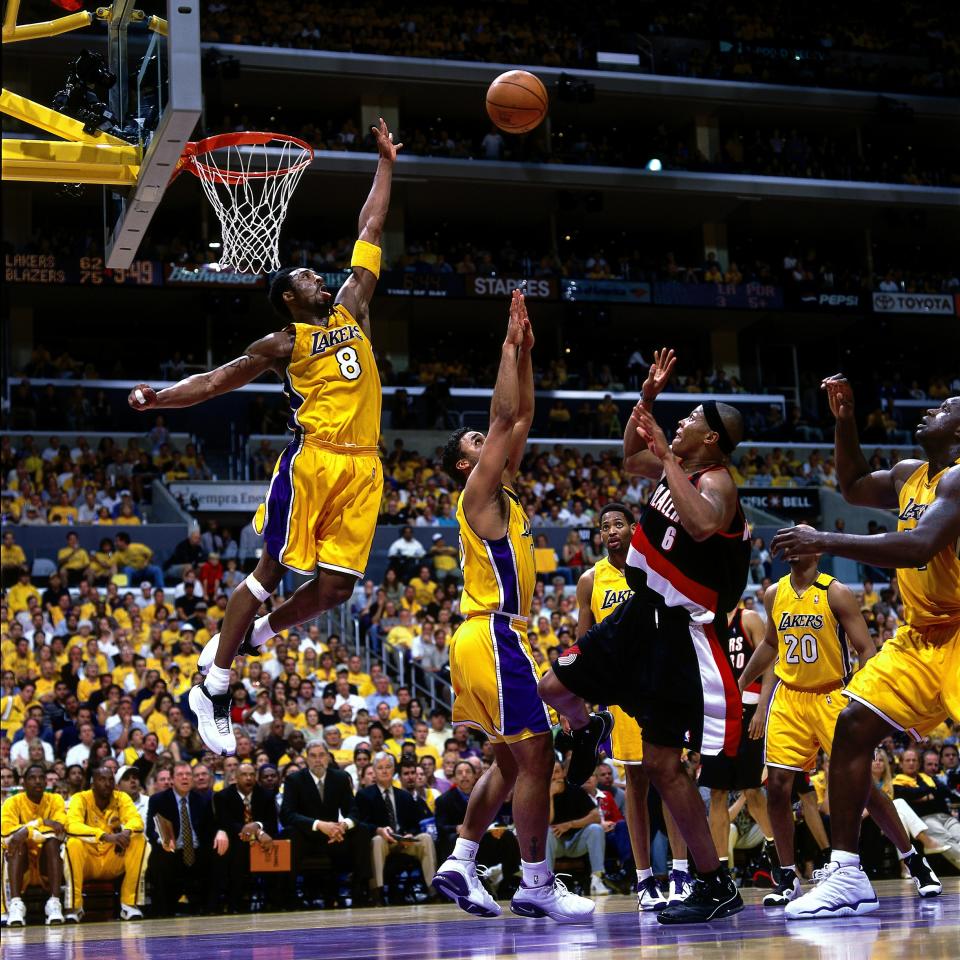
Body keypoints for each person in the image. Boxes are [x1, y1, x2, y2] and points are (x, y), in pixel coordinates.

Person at [129, 119, 402, 757]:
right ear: (287, 297)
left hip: (366, 467)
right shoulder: (283, 343)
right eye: (306, 276)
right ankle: (214, 686)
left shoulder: (354, 304)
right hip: (314, 461)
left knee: (337, 589)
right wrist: (161, 396)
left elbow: (370, 228)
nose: (319, 278)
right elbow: (219, 381)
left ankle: (252, 638)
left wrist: (385, 163)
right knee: (270, 569)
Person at [540, 348, 752, 924]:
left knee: (662, 765)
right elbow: (631, 456)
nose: (680, 425)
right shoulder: (670, 467)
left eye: (691, 422)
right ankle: (590, 729)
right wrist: (647, 402)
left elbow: (705, 524)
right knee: (552, 687)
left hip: (681, 636)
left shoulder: (720, 483)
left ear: (710, 441)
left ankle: (713, 883)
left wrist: (667, 449)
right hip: (640, 613)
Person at [768, 381, 960, 920]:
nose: (929, 409)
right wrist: (845, 420)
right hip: (921, 633)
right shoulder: (907, 476)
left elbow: (919, 544)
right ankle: (847, 873)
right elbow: (851, 485)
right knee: (853, 726)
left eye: (944, 408)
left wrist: (826, 541)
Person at [432, 291, 593, 924]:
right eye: (476, 440)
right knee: (535, 758)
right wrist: (504, 345)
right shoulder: (477, 493)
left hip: (489, 638)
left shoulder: (504, 493)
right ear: (465, 463)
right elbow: (503, 421)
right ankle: (535, 882)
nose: (489, 437)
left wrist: (526, 351)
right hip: (493, 634)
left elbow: (519, 416)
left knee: (506, 762)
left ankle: (461, 859)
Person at [739, 543, 939, 907]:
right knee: (779, 787)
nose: (793, 550)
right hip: (789, 696)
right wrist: (740, 683)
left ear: (816, 552)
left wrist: (864, 702)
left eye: (802, 544)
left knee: (862, 787)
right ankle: (786, 875)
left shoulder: (836, 592)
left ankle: (913, 859)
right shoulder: (773, 593)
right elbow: (770, 643)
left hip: (832, 695)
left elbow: (866, 650)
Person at [569, 501, 692, 912]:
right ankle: (643, 880)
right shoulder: (590, 580)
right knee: (637, 785)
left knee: (671, 777)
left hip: (658, 687)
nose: (611, 531)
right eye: (604, 527)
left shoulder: (652, 570)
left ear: (634, 529)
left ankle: (680, 872)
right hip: (621, 697)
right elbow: (583, 644)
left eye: (618, 524)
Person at [698, 604, 776, 887]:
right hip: (717, 714)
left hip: (748, 711)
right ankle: (721, 870)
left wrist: (762, 710)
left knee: (752, 790)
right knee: (717, 792)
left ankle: (776, 855)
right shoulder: (704, 621)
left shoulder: (749, 618)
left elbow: (769, 664)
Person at [280, 741, 370, 906]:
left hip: (335, 837)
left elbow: (353, 811)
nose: (318, 760)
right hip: (308, 838)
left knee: (362, 830)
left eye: (321, 755)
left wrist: (343, 826)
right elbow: (287, 815)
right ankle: (289, 897)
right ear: (307, 759)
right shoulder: (294, 780)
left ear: (328, 757)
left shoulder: (340, 778)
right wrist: (318, 824)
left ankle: (361, 891)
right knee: (290, 833)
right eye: (313, 756)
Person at [63, 765, 147, 921]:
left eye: (110, 780)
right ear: (92, 783)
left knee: (139, 840)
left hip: (112, 858)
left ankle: (129, 904)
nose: (107, 783)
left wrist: (126, 832)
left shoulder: (121, 797)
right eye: (102, 780)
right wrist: (105, 836)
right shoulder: (80, 798)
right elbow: (72, 826)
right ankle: (74, 907)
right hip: (87, 860)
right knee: (73, 843)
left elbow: (137, 821)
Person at [351, 752, 437, 905]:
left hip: (404, 841)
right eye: (380, 768)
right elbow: (361, 824)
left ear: (393, 771)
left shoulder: (404, 795)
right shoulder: (364, 795)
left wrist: (411, 833)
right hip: (382, 842)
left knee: (426, 838)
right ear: (375, 771)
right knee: (377, 840)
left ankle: (433, 889)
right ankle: (377, 893)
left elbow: (415, 823)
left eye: (388, 767)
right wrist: (378, 830)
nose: (384, 771)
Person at [146, 760, 226, 916]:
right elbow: (151, 830)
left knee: (218, 852)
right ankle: (163, 911)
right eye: (180, 775)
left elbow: (212, 826)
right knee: (159, 857)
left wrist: (220, 831)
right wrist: (162, 841)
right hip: (171, 850)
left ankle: (211, 908)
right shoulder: (158, 800)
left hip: (197, 851)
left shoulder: (202, 800)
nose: (185, 778)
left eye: (188, 774)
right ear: (172, 779)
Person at [1, 763, 66, 926]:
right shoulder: (12, 802)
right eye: (32, 778)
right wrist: (41, 822)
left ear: (46, 782)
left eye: (41, 778)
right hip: (22, 867)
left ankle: (54, 903)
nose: (37, 781)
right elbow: (6, 830)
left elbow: (60, 826)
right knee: (17, 843)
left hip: (47, 864)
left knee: (52, 842)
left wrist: (26, 830)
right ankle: (16, 904)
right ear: (23, 783)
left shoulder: (56, 799)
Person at [215, 760, 285, 912]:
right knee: (238, 849)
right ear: (235, 777)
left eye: (252, 774)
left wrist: (258, 827)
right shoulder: (223, 796)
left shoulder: (266, 795)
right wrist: (258, 831)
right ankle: (236, 902)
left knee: (275, 845)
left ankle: (273, 902)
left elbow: (272, 823)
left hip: (262, 841)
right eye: (244, 775)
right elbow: (226, 823)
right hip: (237, 840)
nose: (248, 778)